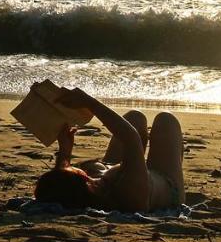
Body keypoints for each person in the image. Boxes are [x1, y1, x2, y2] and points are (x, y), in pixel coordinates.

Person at [34, 87, 185, 212]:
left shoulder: (85, 193)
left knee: (135, 117)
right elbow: (131, 138)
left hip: (115, 169)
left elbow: (62, 187)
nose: (75, 169)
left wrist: (65, 151)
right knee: (166, 120)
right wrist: (88, 102)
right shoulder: (128, 192)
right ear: (88, 185)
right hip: (164, 181)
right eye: (77, 172)